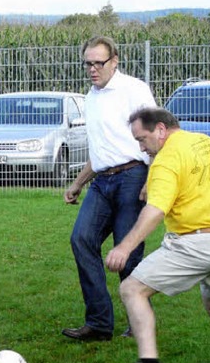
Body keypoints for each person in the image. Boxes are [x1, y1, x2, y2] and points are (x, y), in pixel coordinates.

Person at [104, 107, 210, 363]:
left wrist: (124, 246)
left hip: (198, 245)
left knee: (132, 289)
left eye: (142, 140)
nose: (142, 148)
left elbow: (155, 211)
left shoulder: (166, 159)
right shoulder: (209, 143)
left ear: (160, 129)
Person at [62, 35, 157, 342]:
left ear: (114, 62)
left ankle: (137, 324)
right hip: (102, 182)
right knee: (82, 240)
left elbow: (157, 135)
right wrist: (78, 183)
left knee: (128, 253)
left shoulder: (134, 89)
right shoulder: (90, 98)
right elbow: (101, 150)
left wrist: (150, 179)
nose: (92, 69)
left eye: (98, 63)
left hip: (133, 177)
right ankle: (99, 322)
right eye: (87, 63)